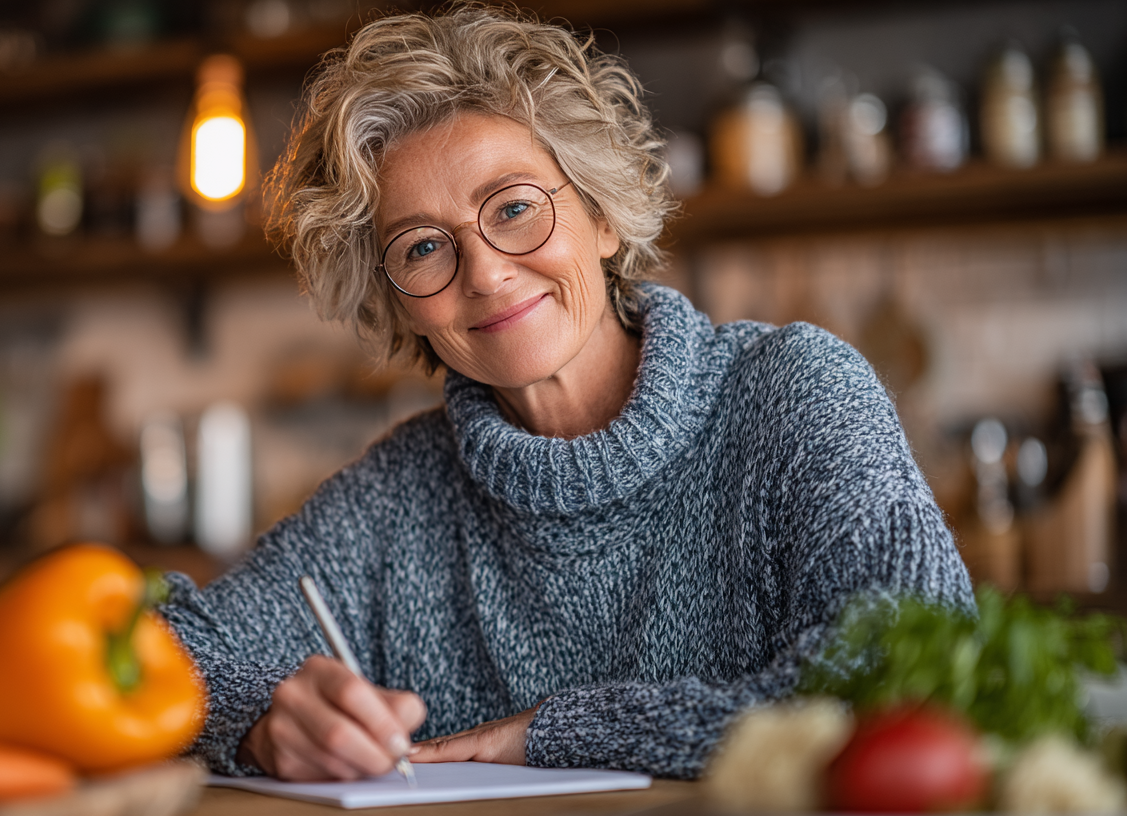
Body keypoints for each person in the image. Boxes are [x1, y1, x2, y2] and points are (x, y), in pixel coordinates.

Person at [160, 5, 973, 782]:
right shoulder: (398, 496)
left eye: (514, 207)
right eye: (422, 248)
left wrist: (558, 735)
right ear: (394, 298)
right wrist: (259, 720)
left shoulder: (796, 394)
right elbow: (157, 649)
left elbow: (919, 672)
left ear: (603, 215)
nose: (484, 272)